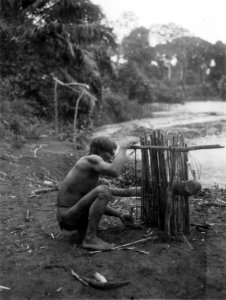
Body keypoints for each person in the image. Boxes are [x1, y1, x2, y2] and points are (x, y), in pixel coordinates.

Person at [57, 136, 134, 251]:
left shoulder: (90, 169)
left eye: (114, 153)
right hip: (68, 216)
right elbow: (114, 171)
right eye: (110, 153)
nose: (113, 156)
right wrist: (123, 148)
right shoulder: (91, 159)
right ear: (100, 151)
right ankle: (90, 238)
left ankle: (88, 234)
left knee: (101, 189)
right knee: (103, 190)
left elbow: (93, 201)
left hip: (70, 217)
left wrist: (120, 214)